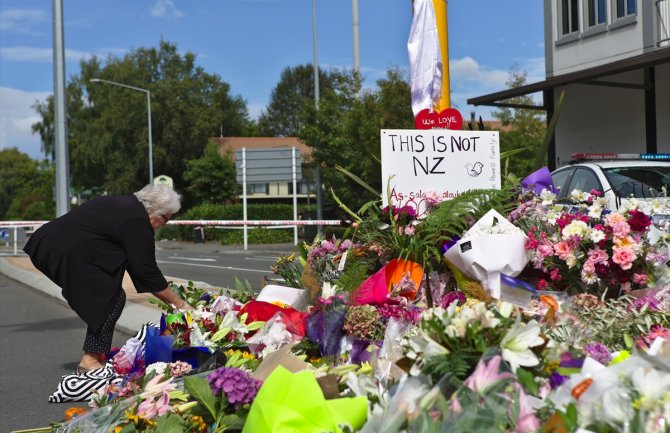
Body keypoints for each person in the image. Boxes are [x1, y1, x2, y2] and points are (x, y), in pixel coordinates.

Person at [24, 184, 191, 373]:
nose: (164, 224)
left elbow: (133, 261)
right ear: (152, 209)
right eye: (164, 218)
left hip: (51, 244)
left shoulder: (128, 208)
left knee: (108, 295)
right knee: (111, 299)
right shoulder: (136, 219)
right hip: (60, 248)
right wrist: (180, 304)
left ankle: (94, 356)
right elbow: (145, 270)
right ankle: (90, 362)